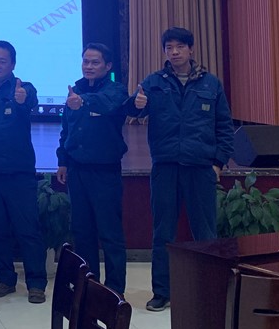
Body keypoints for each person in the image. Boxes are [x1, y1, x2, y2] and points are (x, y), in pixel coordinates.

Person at [128, 26, 234, 312]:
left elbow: (225, 126)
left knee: (205, 232)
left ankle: (209, 291)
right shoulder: (154, 82)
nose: (174, 52)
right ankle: (162, 292)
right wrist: (136, 104)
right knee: (163, 231)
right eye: (169, 48)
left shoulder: (211, 84)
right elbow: (133, 108)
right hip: (165, 167)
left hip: (200, 168)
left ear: (190, 49)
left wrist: (218, 163)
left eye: (179, 47)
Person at [0, 40, 47, 302]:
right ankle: (5, 279)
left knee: (27, 230)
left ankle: (36, 283)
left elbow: (29, 100)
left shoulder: (23, 88)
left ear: (12, 64)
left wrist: (22, 99)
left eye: (2, 61)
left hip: (18, 173)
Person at [56, 42, 129, 298]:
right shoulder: (75, 90)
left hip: (104, 172)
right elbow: (67, 130)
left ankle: (115, 290)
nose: (88, 66)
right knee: (82, 232)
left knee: (110, 233)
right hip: (77, 170)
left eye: (95, 62)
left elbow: (106, 104)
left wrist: (83, 101)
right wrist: (63, 160)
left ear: (107, 66)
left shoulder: (116, 90)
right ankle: (88, 286)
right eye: (85, 61)